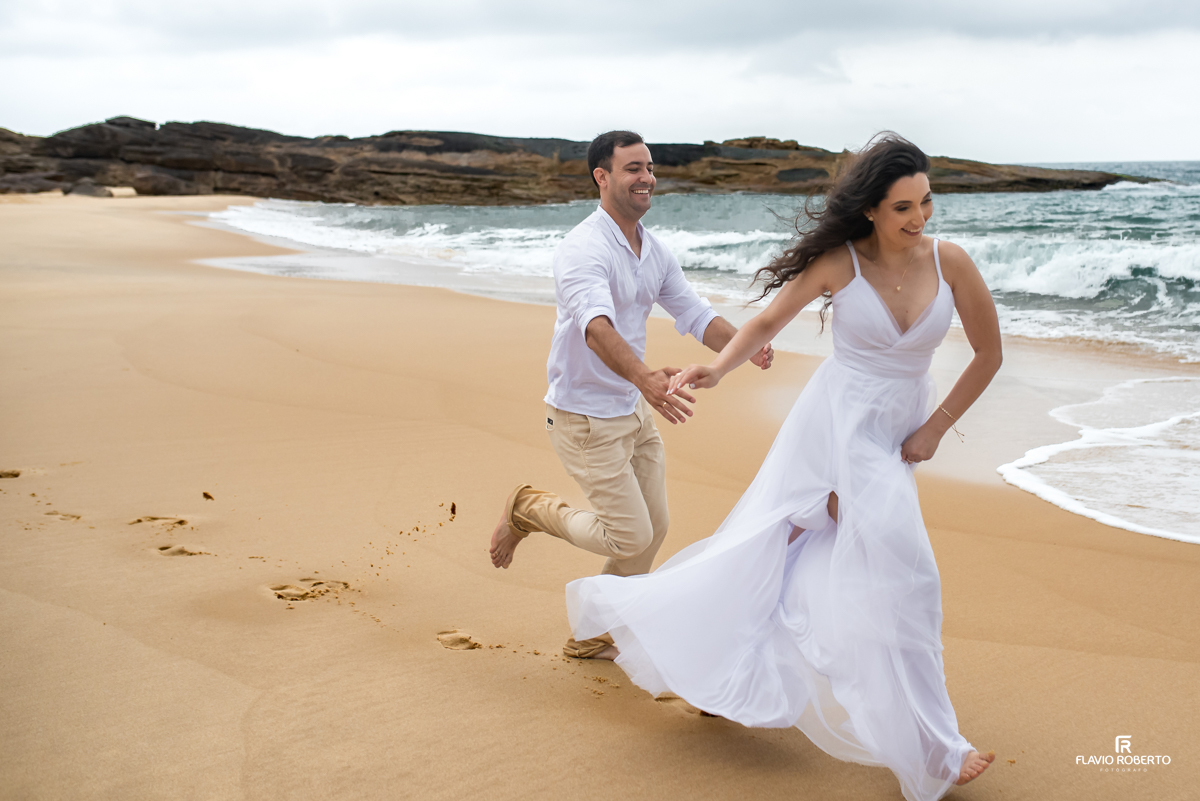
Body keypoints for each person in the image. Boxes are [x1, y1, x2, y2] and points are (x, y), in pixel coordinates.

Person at [565, 133, 1001, 800]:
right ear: (871, 213)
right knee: (910, 573)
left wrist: (937, 428)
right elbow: (767, 322)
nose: (919, 219)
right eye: (903, 208)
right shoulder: (840, 263)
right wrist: (714, 365)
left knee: (789, 545)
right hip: (840, 426)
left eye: (926, 202)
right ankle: (937, 744)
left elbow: (987, 354)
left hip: (901, 433)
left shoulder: (953, 263)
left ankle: (716, 656)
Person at [488, 130, 774, 659]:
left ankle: (596, 631)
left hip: (634, 411)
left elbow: (691, 311)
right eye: (632, 168)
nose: (647, 178)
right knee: (629, 537)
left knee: (654, 527)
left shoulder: (653, 250)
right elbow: (595, 327)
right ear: (602, 176)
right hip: (584, 417)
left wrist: (740, 346)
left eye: (649, 167)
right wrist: (644, 376)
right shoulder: (582, 250)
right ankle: (529, 509)